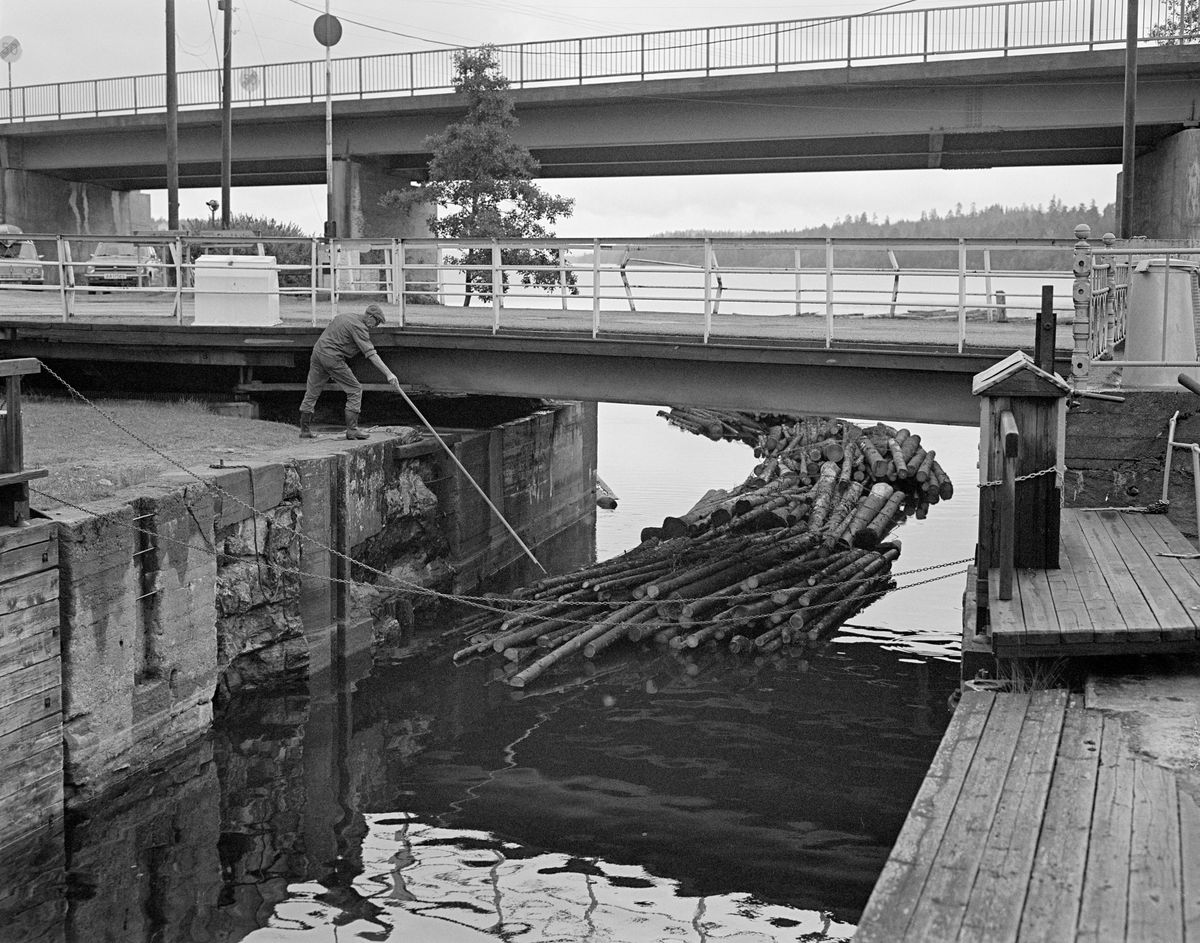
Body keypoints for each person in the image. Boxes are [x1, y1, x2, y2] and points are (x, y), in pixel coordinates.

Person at [299, 303, 401, 440]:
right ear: (370, 317)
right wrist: (389, 373)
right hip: (333, 358)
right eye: (376, 322)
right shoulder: (360, 327)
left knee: (312, 393)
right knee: (355, 390)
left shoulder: (344, 316)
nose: (375, 326)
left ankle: (304, 431)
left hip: (317, 353)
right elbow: (371, 354)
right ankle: (352, 430)